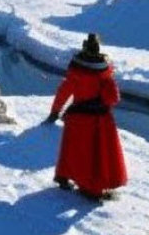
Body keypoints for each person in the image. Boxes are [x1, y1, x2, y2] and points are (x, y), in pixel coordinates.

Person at [44, 33, 127, 200]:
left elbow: (64, 91)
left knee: (71, 149)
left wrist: (55, 112)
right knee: (95, 155)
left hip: (76, 118)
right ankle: (92, 188)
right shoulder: (105, 73)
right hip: (99, 120)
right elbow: (113, 98)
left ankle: (63, 176)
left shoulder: (76, 71)